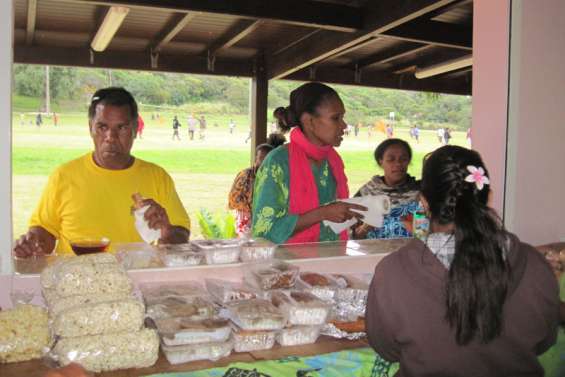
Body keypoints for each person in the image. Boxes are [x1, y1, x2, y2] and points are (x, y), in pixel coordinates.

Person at [366, 145, 559, 377]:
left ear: (424, 203)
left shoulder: (392, 272)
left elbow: (387, 349)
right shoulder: (535, 264)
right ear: (485, 196)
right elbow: (545, 340)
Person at [13, 87, 190, 257]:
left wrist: (167, 230)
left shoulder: (157, 177)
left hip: (138, 281)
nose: (111, 137)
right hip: (76, 282)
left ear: (136, 129)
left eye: (122, 128)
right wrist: (33, 243)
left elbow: (181, 237)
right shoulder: (64, 176)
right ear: (90, 127)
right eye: (102, 127)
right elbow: (45, 232)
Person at [251, 82, 366, 244]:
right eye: (335, 118)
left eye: (343, 117)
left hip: (332, 261)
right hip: (288, 265)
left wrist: (350, 214)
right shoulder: (278, 162)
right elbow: (264, 229)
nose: (344, 125)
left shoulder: (333, 161)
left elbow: (332, 221)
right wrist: (322, 213)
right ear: (309, 121)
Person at [352, 139, 420, 240]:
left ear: (408, 161)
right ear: (380, 161)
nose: (398, 164)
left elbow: (428, 233)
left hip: (413, 253)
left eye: (403, 159)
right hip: (374, 254)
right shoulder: (366, 193)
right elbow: (352, 235)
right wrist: (363, 230)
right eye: (391, 159)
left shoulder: (421, 192)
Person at [229, 133, 286, 237]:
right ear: (255, 159)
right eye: (262, 158)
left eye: (268, 159)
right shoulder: (245, 176)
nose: (265, 162)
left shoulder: (276, 175)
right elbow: (235, 202)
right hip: (247, 219)